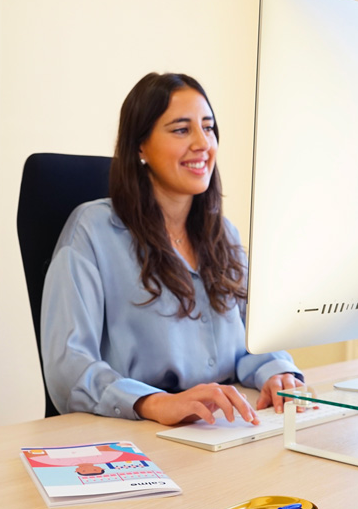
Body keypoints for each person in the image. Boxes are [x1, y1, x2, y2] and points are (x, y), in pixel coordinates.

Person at [41, 72, 305, 425]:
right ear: (140, 146)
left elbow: (247, 343)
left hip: (221, 426)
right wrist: (153, 402)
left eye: (208, 128)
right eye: (182, 130)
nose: (202, 143)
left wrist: (277, 372)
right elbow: (68, 367)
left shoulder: (223, 233)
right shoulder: (92, 231)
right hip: (138, 433)